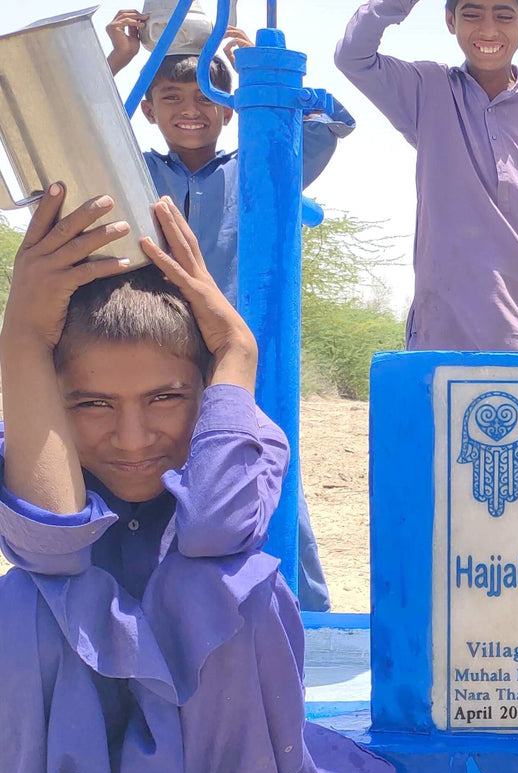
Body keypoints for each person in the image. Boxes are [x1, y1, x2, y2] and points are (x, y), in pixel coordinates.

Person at [0, 184, 395, 773]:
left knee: (236, 586)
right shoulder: (37, 448)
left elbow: (215, 528)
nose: (132, 438)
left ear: (205, 388)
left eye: (165, 398)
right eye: (91, 404)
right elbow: (50, 545)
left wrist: (237, 352)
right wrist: (25, 336)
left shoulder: (240, 436)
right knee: (25, 600)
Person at [107, 12, 355, 611]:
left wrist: (259, 71)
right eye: (170, 98)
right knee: (150, 489)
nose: (189, 110)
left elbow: (335, 122)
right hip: (153, 362)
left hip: (236, 363)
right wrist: (117, 61)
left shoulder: (263, 168)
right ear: (147, 108)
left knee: (265, 476)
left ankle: (305, 611)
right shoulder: (135, 171)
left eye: (205, 98)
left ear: (228, 109)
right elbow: (78, 134)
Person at [335, 0, 518, 352]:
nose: (488, 29)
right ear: (450, 20)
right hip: (443, 333)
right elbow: (352, 56)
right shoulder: (427, 90)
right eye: (472, 14)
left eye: (504, 15)